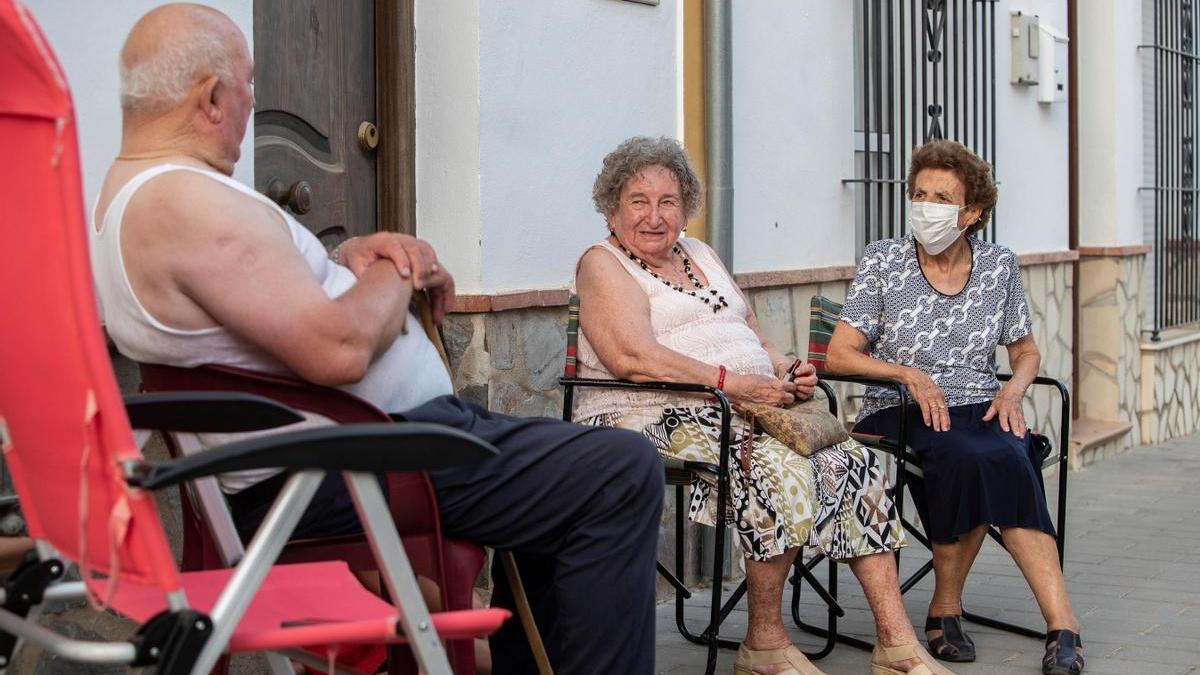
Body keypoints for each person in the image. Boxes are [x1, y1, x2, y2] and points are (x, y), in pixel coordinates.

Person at [89, 5, 663, 674]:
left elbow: (268, 309)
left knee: (566, 476)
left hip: (351, 450)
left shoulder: (143, 197)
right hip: (350, 464)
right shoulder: (180, 201)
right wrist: (402, 264)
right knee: (619, 472)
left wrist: (351, 257)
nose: (252, 101)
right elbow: (339, 349)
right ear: (213, 97)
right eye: (248, 84)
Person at [574, 136, 952, 675]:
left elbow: (748, 331)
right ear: (612, 206)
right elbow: (633, 358)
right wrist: (733, 384)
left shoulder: (700, 253)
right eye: (639, 201)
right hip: (650, 411)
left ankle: (896, 644)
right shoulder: (603, 264)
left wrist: (783, 368)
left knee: (854, 463)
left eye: (669, 201)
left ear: (686, 208)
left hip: (744, 407)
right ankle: (765, 643)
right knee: (778, 466)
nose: (655, 216)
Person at [827, 139, 1084, 675]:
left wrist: (1013, 389)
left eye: (942, 197)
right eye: (919, 193)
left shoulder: (998, 266)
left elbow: (1026, 351)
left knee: (1012, 456)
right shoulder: (885, 261)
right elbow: (839, 355)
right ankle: (945, 608)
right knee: (974, 456)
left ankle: (1062, 625)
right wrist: (906, 373)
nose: (925, 206)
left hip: (979, 403)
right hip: (896, 405)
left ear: (972, 213)